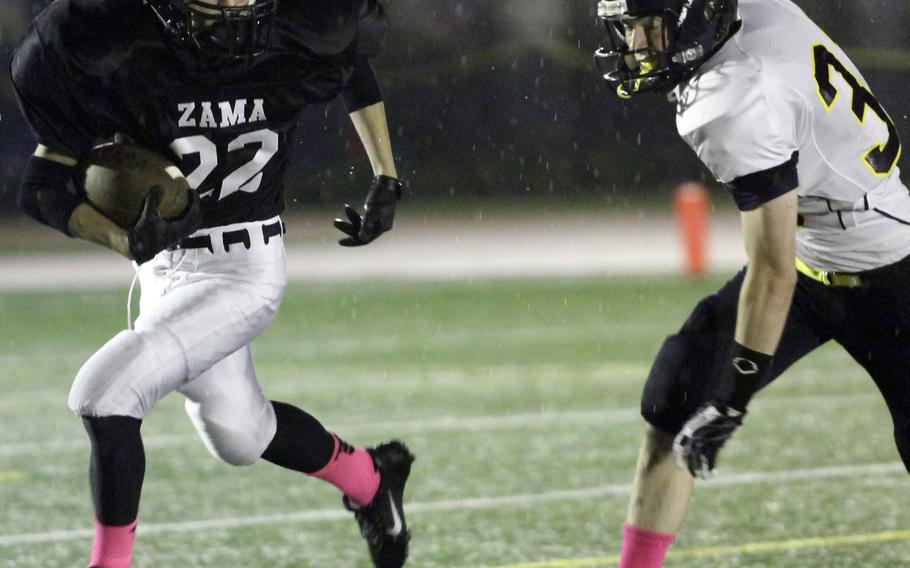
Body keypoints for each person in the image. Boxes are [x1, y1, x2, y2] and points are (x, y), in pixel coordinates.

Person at [10, 1, 414, 566]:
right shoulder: (130, 48)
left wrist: (386, 175)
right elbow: (44, 183)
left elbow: (349, 63)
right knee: (240, 434)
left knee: (105, 394)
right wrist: (123, 239)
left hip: (245, 270)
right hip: (161, 271)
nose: (229, 9)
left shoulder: (294, 32)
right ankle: (373, 479)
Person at [594, 0, 910, 566]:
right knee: (676, 393)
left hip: (891, 270)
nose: (637, 46)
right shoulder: (753, 16)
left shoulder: (735, 97)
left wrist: (733, 401)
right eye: (628, 28)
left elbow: (771, 271)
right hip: (816, 252)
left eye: (647, 26)